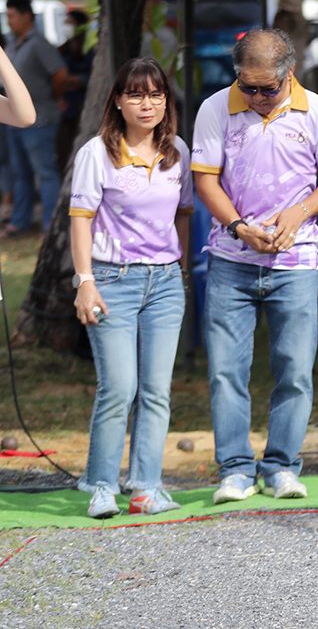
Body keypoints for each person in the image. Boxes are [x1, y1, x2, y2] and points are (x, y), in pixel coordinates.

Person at [192, 27, 318, 504]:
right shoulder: (215, 108)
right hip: (231, 258)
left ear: (291, 73)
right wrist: (239, 226)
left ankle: (282, 466)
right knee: (226, 371)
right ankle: (235, 470)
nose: (258, 98)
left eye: (269, 89)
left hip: (296, 261)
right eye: (248, 88)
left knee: (295, 371)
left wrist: (298, 213)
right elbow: (205, 181)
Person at [71, 59, 191, 519]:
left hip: (164, 283)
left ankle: (145, 487)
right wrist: (85, 282)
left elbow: (183, 213)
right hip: (110, 280)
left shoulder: (177, 151)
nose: (147, 104)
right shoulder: (96, 153)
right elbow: (80, 222)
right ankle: (101, 485)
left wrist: (179, 266)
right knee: (119, 387)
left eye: (156, 95)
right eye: (136, 95)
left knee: (156, 390)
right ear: (118, 101)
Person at [3, 0, 75, 236]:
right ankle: (19, 222)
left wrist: (54, 97)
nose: (9, 21)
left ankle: (49, 224)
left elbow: (60, 74)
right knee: (20, 174)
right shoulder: (12, 43)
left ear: (27, 16)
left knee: (45, 172)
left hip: (41, 118)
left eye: (12, 16)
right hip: (12, 119)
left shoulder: (39, 43)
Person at [56, 8, 95, 168]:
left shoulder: (90, 50)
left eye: (70, 23)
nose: (66, 27)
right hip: (65, 109)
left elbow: (92, 77)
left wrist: (77, 80)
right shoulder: (62, 50)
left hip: (83, 108)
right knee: (63, 151)